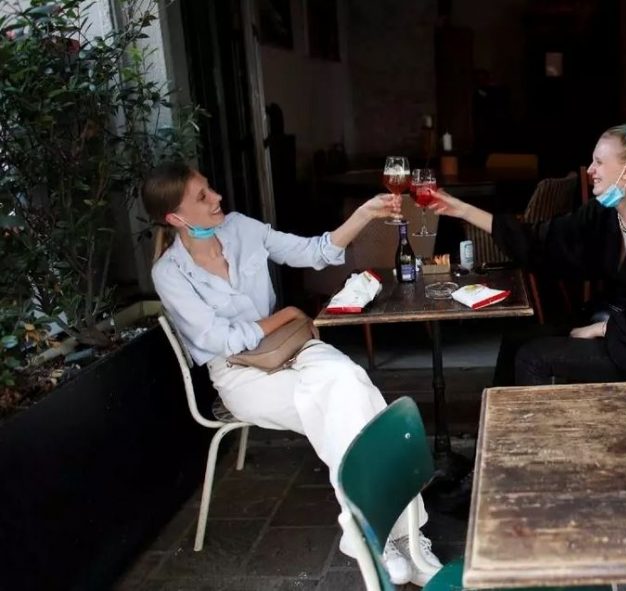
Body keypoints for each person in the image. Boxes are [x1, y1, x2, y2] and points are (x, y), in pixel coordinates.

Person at [142, 163, 441, 586]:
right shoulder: (169, 273)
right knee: (342, 405)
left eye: (210, 188)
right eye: (202, 196)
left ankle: (379, 537)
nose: (217, 198)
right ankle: (399, 533)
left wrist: (364, 214)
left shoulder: (240, 228)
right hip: (239, 374)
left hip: (295, 347)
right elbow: (220, 340)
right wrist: (287, 314)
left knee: (349, 382)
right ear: (176, 217)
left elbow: (313, 252)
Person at [429, 110, 626, 386]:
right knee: (516, 339)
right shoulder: (603, 215)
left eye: (599, 162)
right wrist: (463, 210)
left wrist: (600, 329)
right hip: (613, 324)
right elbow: (540, 239)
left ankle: (534, 418)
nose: (590, 170)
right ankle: (500, 414)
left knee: (532, 358)